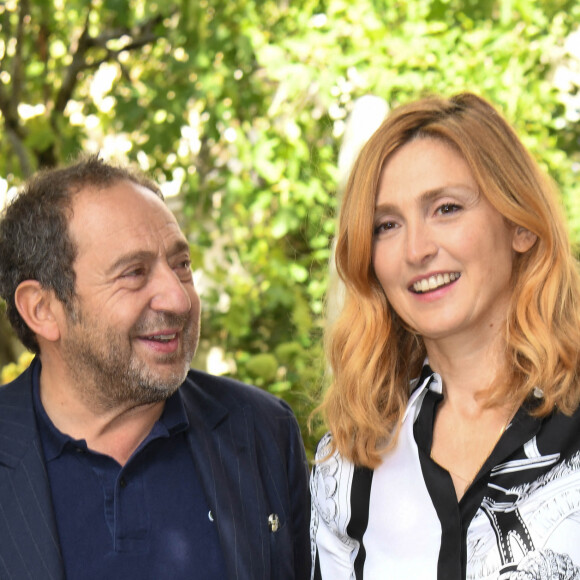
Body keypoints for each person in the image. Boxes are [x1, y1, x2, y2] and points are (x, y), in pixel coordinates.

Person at [0, 156, 310, 580]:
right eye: (134, 273)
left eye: (181, 266)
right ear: (42, 309)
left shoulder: (262, 431)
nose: (178, 300)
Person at [310, 93, 580, 579]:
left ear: (519, 224)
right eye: (386, 225)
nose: (416, 249)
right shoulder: (351, 461)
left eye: (446, 208)